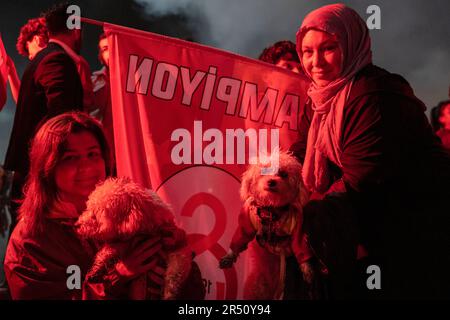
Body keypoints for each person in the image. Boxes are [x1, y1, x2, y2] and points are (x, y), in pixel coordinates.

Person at [290, 3, 450, 299]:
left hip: (416, 233)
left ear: (352, 43)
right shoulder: (320, 98)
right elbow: (299, 152)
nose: (316, 63)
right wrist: (275, 181)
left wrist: (299, 214)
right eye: (308, 51)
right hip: (374, 231)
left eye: (328, 48)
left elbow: (361, 182)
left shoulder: (374, 94)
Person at [3, 112, 202, 299]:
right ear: (47, 167)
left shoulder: (130, 212)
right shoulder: (30, 242)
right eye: (70, 158)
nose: (87, 167)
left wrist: (177, 272)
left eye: (93, 154)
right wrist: (118, 275)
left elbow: (192, 290)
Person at [3, 4, 84, 226]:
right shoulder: (55, 60)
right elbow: (63, 116)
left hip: (31, 167)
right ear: (75, 31)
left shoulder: (47, 60)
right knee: (34, 232)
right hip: (40, 169)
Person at [91, 33, 114, 159]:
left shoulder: (136, 80)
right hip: (103, 150)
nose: (110, 53)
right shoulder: (93, 82)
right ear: (100, 55)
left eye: (112, 47)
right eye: (105, 49)